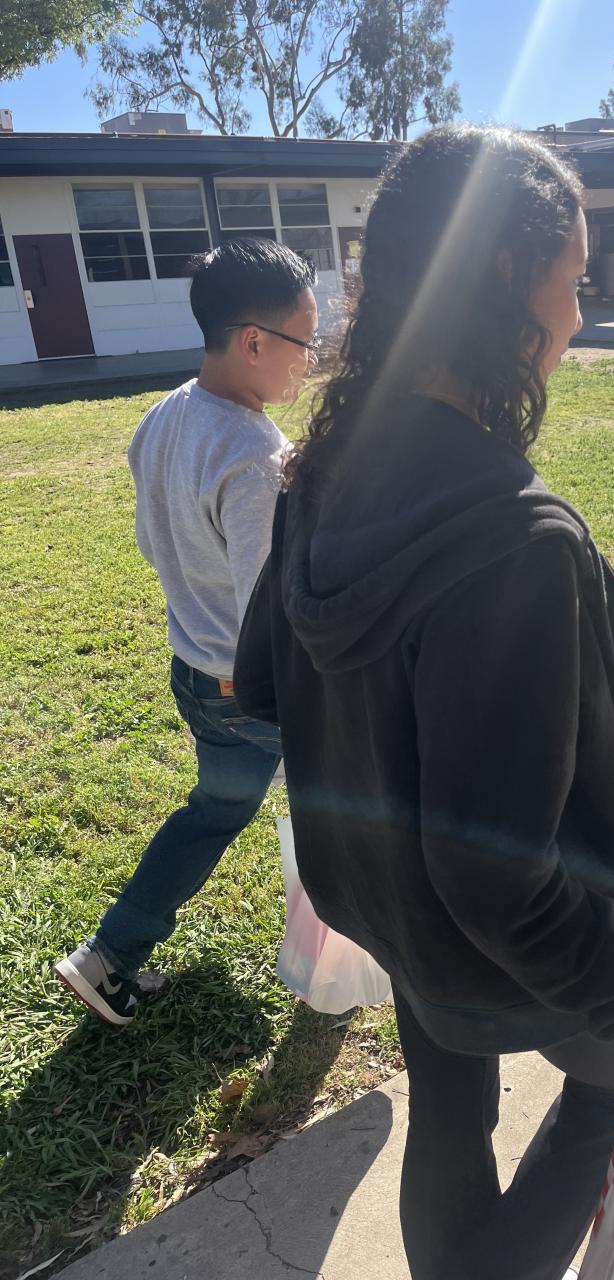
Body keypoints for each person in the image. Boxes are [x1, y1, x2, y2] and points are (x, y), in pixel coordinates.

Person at [235, 126, 614, 1280]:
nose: (577, 319)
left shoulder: (320, 468)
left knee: (446, 1104)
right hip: (502, 942)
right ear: (504, 281)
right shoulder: (516, 540)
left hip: (396, 915)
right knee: (609, 1094)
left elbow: (260, 680)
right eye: (573, 284)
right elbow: (499, 882)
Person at [55, 237, 320, 1027]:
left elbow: (153, 539)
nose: (311, 362)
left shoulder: (165, 413)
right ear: (254, 342)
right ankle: (338, 965)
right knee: (342, 812)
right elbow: (272, 608)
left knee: (215, 810)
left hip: (197, 676)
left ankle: (107, 956)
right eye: (306, 342)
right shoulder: (257, 456)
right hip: (255, 691)